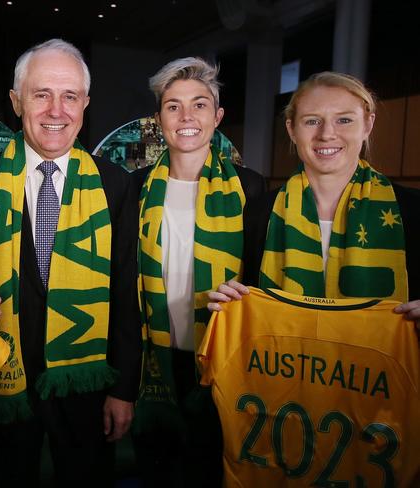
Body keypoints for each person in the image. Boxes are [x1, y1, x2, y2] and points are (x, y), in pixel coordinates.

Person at [0, 39, 141, 487]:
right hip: (5, 379)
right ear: (17, 102)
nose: (57, 110)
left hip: (88, 383)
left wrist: (123, 389)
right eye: (42, 94)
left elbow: (125, 291)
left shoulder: (116, 185)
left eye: (70, 96)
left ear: (85, 104)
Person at [132, 57, 265, 487]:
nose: (186, 117)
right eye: (173, 106)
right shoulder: (133, 187)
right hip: (154, 356)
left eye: (199, 105)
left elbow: (263, 276)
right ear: (159, 120)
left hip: (222, 352)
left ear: (218, 116)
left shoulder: (251, 187)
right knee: (158, 470)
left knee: (213, 470)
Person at [208, 71, 420, 326]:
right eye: (311, 121)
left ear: (368, 125)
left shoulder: (413, 211)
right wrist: (229, 301)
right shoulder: (257, 214)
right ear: (292, 129)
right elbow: (247, 304)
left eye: (344, 120)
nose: (327, 134)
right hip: (284, 362)